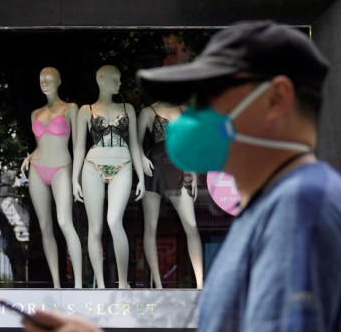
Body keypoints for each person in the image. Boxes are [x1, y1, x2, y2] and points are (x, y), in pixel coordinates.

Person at [23, 21, 341, 332]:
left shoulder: (304, 208)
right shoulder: (271, 205)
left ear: (277, 98)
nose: (195, 114)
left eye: (211, 97)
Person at [72, 65, 144, 288]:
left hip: (122, 165)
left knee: (114, 221)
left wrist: (141, 176)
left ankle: (123, 282)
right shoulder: (86, 110)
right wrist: (74, 179)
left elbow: (134, 144)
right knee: (95, 228)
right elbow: (78, 148)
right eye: (117, 80)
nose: (120, 84)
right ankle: (101, 284)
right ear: (102, 80)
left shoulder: (128, 108)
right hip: (92, 166)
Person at [21, 67, 83, 288]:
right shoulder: (35, 113)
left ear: (59, 81)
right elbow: (41, 143)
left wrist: (77, 178)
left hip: (62, 167)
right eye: (41, 79)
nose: (44, 82)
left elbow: (78, 146)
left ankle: (78, 285)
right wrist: (30, 156)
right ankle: (57, 284)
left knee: (65, 222)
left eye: (49, 78)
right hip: (37, 167)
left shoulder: (71, 109)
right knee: (45, 226)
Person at [137, 101, 204, 288]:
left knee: (191, 225)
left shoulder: (184, 109)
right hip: (155, 166)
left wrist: (193, 172)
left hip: (178, 166)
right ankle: (158, 284)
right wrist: (141, 158)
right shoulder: (147, 111)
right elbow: (136, 141)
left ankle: (200, 284)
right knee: (151, 226)